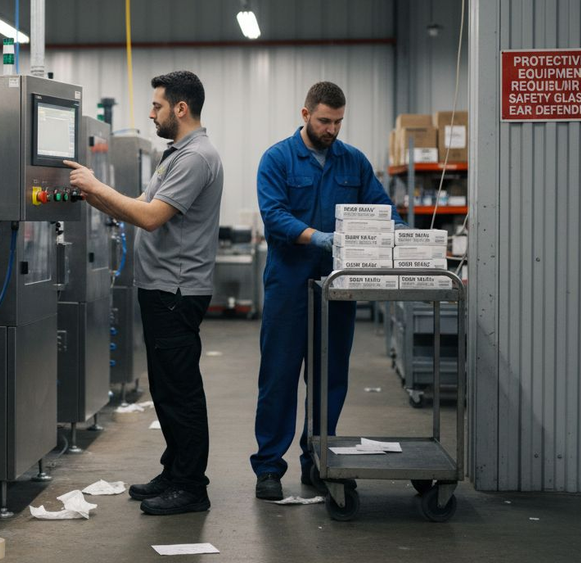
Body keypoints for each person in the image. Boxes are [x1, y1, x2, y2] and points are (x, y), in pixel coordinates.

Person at [65, 71, 223, 515]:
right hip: (161, 288)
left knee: (181, 390)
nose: (151, 113)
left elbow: (151, 217)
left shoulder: (195, 158)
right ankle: (175, 470)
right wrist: (92, 193)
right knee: (167, 388)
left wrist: (97, 188)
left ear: (181, 108)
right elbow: (137, 205)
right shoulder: (175, 155)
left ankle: (192, 486)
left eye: (156, 106)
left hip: (176, 290)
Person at [251, 81, 403, 501]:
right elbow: (274, 215)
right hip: (289, 284)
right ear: (305, 115)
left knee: (330, 377)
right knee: (279, 376)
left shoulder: (353, 162)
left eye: (338, 121)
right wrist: (319, 238)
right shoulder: (278, 159)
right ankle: (268, 467)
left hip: (338, 288)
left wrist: (409, 238)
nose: (331, 129)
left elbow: (382, 210)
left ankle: (317, 462)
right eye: (324, 121)